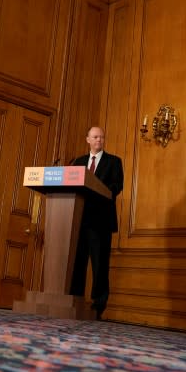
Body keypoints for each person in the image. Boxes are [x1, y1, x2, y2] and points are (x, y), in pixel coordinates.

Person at [69, 126, 124, 320]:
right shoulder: (79, 162)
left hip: (100, 221)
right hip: (78, 220)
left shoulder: (114, 161)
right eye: (95, 137)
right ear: (88, 140)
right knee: (77, 262)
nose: (99, 140)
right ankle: (74, 299)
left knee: (100, 264)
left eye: (101, 137)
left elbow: (117, 186)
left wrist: (97, 189)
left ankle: (98, 305)